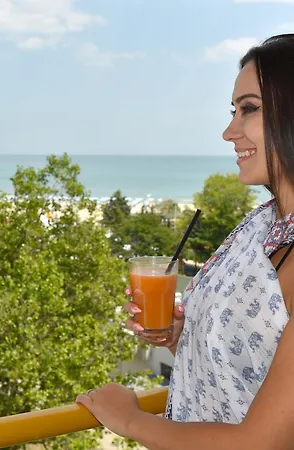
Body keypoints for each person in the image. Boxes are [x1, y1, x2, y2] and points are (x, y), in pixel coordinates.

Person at [76, 34, 294, 449]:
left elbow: (260, 443)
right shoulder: (261, 226)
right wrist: (183, 337)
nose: (228, 131)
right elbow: (249, 370)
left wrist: (131, 420)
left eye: (249, 108)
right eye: (233, 111)